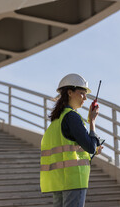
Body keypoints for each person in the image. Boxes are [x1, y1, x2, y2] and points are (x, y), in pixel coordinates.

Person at [40, 73, 103, 207]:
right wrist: (92, 121)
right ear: (69, 92)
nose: (85, 98)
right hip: (74, 180)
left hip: (58, 181)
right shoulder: (72, 117)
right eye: (82, 93)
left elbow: (68, 147)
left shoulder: (56, 120)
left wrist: (92, 149)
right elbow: (90, 147)